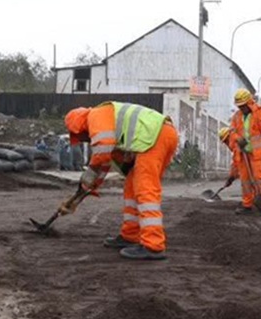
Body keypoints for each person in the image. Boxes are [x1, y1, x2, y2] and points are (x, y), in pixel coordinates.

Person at [61, 102, 178, 260]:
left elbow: (102, 152)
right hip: (159, 136)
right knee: (131, 188)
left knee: (145, 189)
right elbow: (105, 163)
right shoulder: (108, 123)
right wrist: (86, 188)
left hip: (154, 138)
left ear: (80, 125)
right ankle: (130, 235)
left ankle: (153, 245)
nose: (85, 140)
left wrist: (89, 174)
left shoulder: (96, 115)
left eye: (81, 136)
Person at [230, 89, 261, 215]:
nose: (241, 108)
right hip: (244, 153)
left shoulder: (259, 114)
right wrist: (238, 138)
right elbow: (232, 132)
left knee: (259, 179)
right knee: (245, 181)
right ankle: (247, 204)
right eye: (239, 106)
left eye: (243, 106)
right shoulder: (237, 116)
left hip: (259, 154)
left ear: (249, 103)